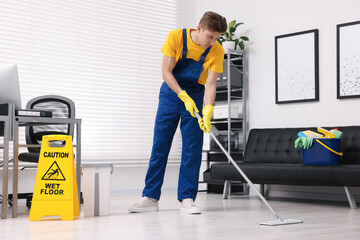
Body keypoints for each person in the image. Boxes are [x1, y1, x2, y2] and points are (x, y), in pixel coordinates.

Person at [128, 11, 227, 214]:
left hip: (197, 94)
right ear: (199, 28)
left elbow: (210, 84)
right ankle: (150, 197)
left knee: (192, 148)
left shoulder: (216, 50)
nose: (212, 42)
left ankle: (187, 198)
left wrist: (208, 109)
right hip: (171, 94)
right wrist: (182, 95)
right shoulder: (176, 37)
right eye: (210, 36)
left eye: (217, 38)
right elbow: (166, 71)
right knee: (160, 146)